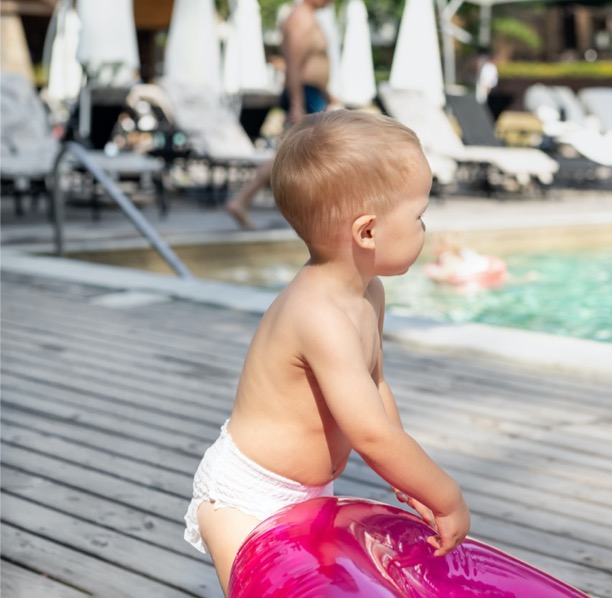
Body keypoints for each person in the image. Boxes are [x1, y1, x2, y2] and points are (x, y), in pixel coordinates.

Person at [185, 110, 470, 595]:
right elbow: (371, 435)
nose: (426, 227)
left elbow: (376, 386)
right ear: (367, 232)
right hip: (247, 496)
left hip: (311, 493)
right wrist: (446, 497)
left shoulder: (367, 292)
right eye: (418, 215)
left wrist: (409, 481)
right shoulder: (319, 315)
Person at [226, 0, 339, 230]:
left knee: (303, 153)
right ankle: (242, 201)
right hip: (304, 95)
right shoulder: (299, 18)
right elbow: (294, 65)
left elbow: (312, 64)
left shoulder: (308, 17)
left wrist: (328, 94)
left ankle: (244, 202)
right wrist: (297, 104)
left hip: (313, 94)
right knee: (297, 153)